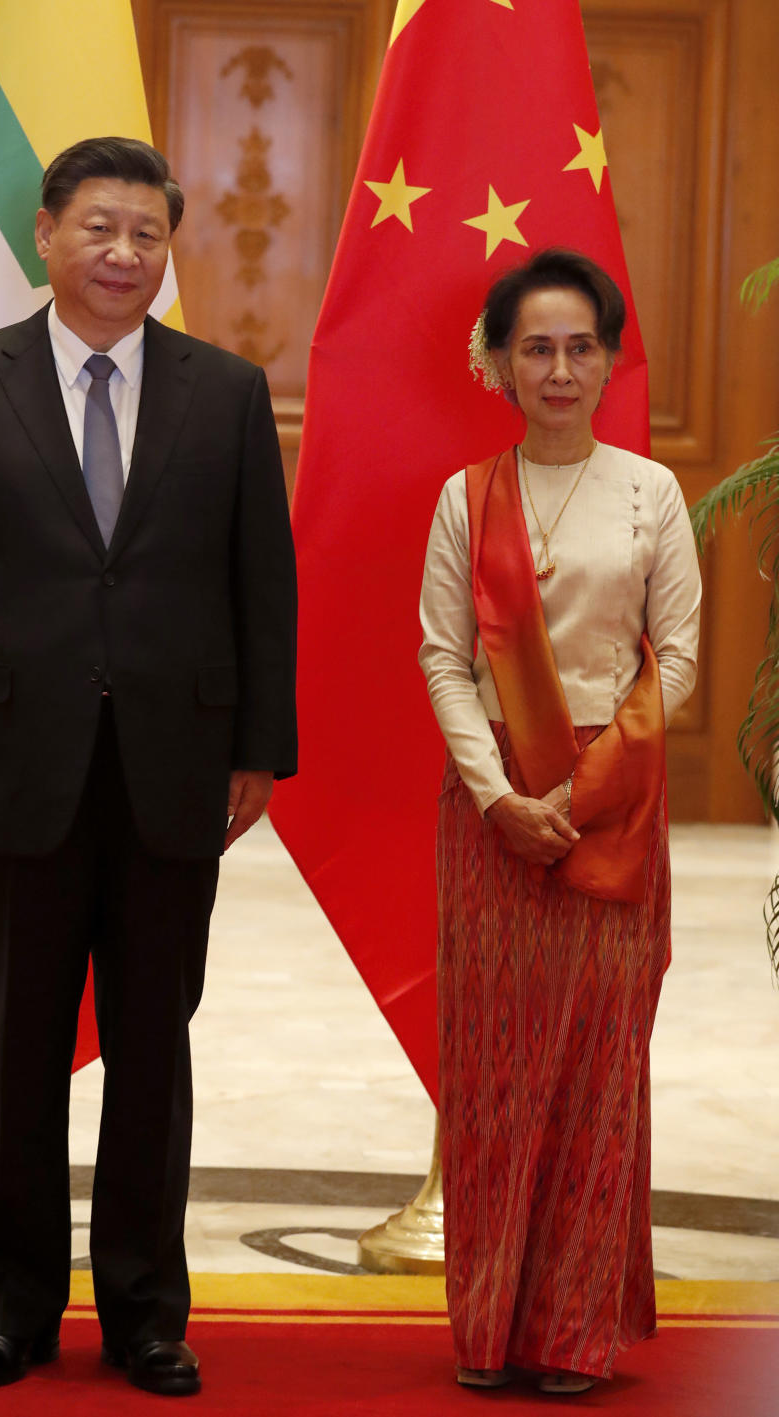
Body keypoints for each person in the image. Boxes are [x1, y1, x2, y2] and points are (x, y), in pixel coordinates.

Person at [0, 136, 297, 1395]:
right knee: (16, 1044)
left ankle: (144, 1311)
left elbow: (262, 589)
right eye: (100, 228)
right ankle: (7, 1305)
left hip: (176, 767)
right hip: (15, 760)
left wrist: (260, 751)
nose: (124, 255)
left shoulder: (226, 393)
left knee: (151, 1044)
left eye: (147, 235)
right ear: (46, 234)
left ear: (168, 250)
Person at [418, 249, 701, 1395]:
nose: (560, 367)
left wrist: (578, 797)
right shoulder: (463, 495)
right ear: (496, 363)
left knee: (593, 1069)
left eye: (582, 344)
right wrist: (499, 795)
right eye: (535, 346)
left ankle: (572, 1334)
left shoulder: (651, 491)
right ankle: (488, 1328)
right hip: (491, 803)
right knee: (491, 1070)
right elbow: (442, 656)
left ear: (611, 356)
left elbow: (676, 660)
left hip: (614, 799)